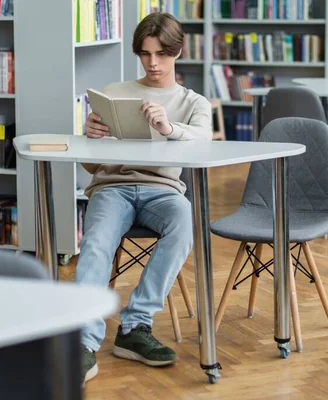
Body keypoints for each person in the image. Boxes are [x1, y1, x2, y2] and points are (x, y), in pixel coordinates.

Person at [77, 12, 212, 387]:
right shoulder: (115, 92)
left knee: (185, 219)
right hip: (112, 187)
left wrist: (168, 128)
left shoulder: (193, 101)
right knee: (97, 241)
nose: (153, 63)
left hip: (163, 191)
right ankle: (83, 342)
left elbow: (204, 142)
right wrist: (92, 137)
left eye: (162, 54)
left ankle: (135, 326)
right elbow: (91, 165)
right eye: (145, 54)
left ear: (178, 52)